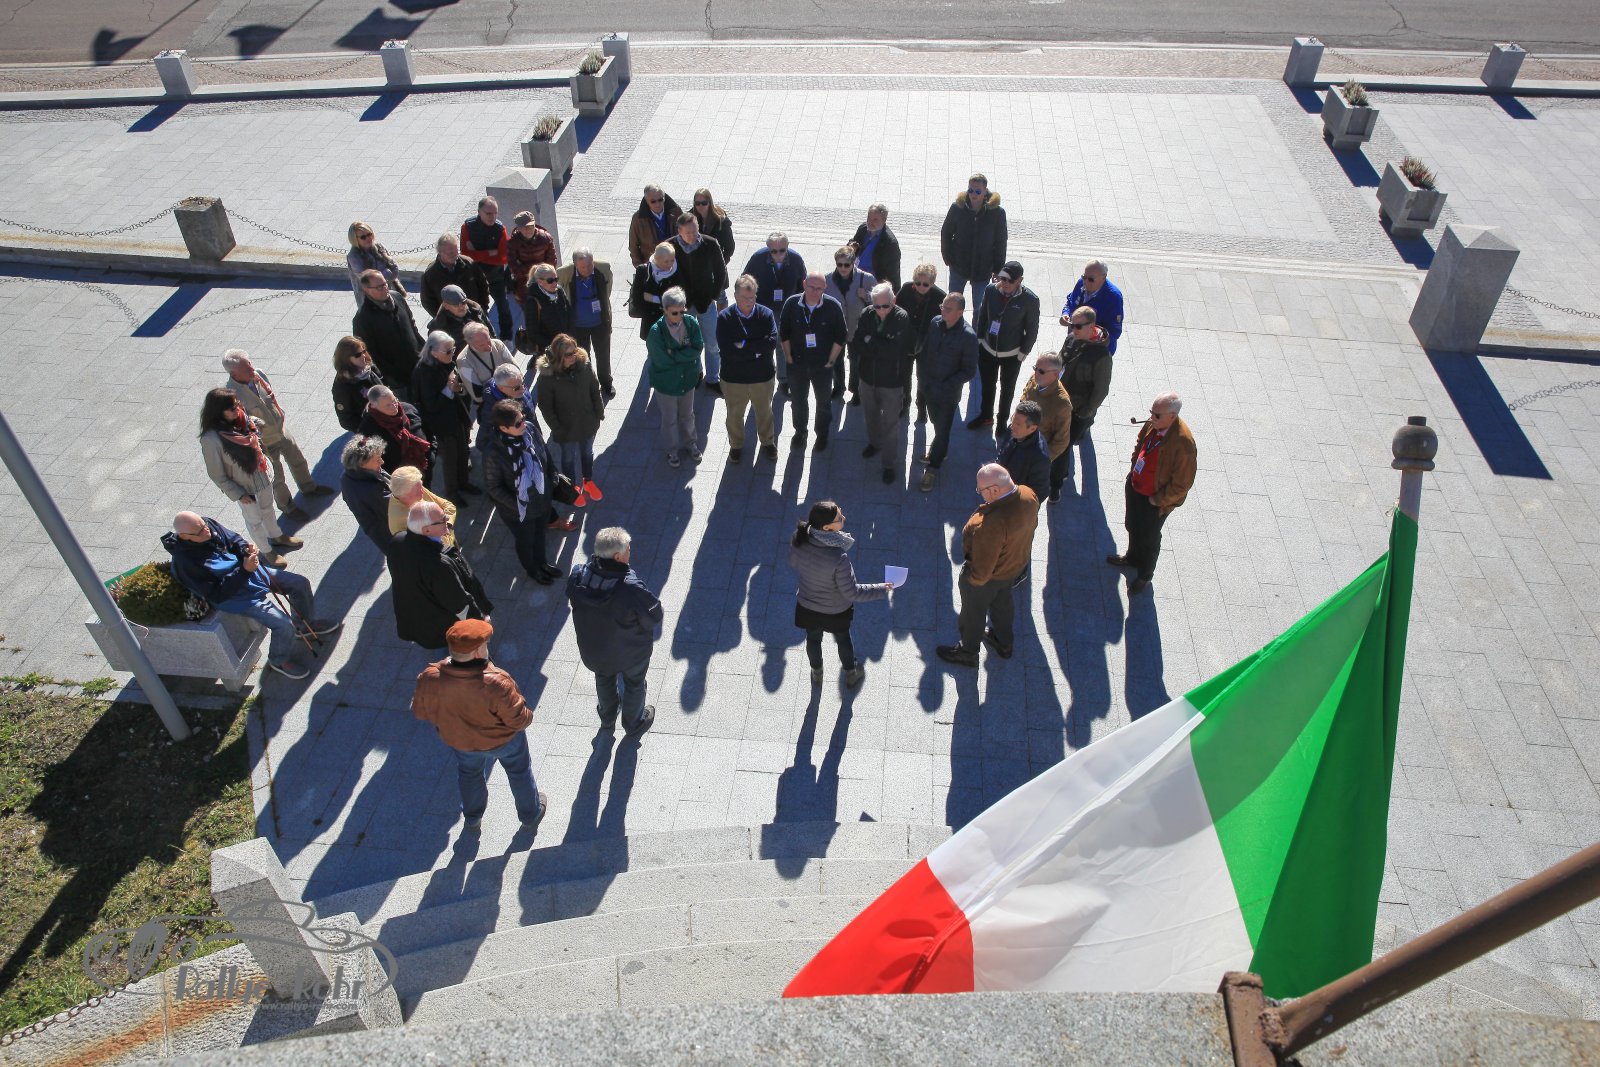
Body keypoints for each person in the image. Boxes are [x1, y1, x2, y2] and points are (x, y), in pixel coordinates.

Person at [164, 512, 340, 679]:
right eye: (200, 531)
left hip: (248, 572)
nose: (207, 531)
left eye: (204, 525)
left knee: (299, 583)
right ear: (184, 536)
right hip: (234, 596)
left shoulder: (207, 525)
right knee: (283, 624)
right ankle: (278, 660)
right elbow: (217, 594)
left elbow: (233, 539)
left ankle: (304, 626)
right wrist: (244, 570)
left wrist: (245, 550)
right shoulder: (185, 564)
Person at [411, 618, 548, 831]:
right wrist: (528, 715)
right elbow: (520, 720)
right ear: (476, 652)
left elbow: (420, 711)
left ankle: (473, 817)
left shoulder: (430, 677)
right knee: (519, 772)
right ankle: (530, 814)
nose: (487, 647)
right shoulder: (497, 682)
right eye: (485, 644)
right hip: (505, 742)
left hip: (462, 742)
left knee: (469, 774)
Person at [936, 464, 1038, 667]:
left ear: (994, 490)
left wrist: (970, 581)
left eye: (980, 489)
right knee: (1003, 604)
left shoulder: (991, 524)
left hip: (989, 578)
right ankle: (1004, 642)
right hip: (1013, 568)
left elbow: (982, 573)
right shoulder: (1028, 494)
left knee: (972, 614)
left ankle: (968, 652)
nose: (980, 493)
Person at [566, 526, 662, 735]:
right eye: (628, 549)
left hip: (594, 651)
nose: (630, 551)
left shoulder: (578, 576)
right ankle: (634, 723)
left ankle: (607, 717)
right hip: (632, 652)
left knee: (603, 678)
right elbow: (654, 616)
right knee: (634, 684)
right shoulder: (630, 587)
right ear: (618, 557)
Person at [789, 500, 890, 688]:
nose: (844, 517)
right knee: (843, 639)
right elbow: (853, 592)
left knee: (813, 639)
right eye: (839, 517)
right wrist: (883, 588)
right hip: (836, 611)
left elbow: (794, 562)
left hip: (807, 606)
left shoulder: (799, 538)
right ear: (827, 528)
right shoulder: (838, 557)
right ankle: (851, 673)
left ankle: (817, 673)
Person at [223, 350, 331, 522]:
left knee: (298, 460)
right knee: (277, 478)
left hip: (281, 431)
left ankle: (309, 487)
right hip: (264, 443)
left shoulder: (259, 375)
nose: (251, 368)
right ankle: (288, 507)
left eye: (249, 363)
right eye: (246, 368)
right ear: (234, 374)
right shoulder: (232, 396)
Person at [1107, 392, 1197, 596]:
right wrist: (1133, 469)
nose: (1151, 418)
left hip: (1155, 500)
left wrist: (1157, 500)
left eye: (1157, 415)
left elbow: (1182, 484)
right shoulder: (1154, 424)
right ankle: (1132, 558)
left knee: (1149, 538)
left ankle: (1145, 575)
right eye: (1151, 412)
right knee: (1132, 525)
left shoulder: (1183, 444)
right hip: (1136, 487)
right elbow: (1140, 442)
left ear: (1172, 416)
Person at [198, 388, 298, 566]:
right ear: (219, 411)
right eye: (232, 408)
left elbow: (254, 428)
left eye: (237, 404)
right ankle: (266, 551)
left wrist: (256, 424)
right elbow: (216, 473)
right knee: (254, 520)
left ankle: (277, 536)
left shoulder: (241, 420)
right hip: (244, 488)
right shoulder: (211, 439)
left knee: (268, 509)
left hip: (262, 475)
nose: (237, 409)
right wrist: (237, 494)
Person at [388, 500, 493, 648]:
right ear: (427, 530)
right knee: (460, 648)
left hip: (422, 619)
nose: (447, 520)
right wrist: (480, 623)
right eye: (442, 520)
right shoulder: (437, 565)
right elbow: (459, 602)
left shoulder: (397, 541)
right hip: (443, 624)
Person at [482, 399, 565, 584]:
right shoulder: (494, 453)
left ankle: (542, 563)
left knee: (540, 534)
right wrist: (520, 505)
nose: (524, 424)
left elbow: (544, 452)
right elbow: (494, 487)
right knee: (526, 542)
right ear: (503, 428)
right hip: (518, 511)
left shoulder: (530, 429)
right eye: (518, 423)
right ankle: (532, 570)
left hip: (542, 499)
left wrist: (552, 475)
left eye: (523, 417)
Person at [537, 334, 605, 528]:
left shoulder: (584, 366)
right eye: (568, 354)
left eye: (574, 351)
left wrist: (599, 412)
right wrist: (557, 428)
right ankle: (573, 488)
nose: (574, 356)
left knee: (587, 453)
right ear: (558, 356)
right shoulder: (547, 377)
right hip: (566, 428)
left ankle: (588, 481)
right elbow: (546, 407)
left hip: (587, 422)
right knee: (568, 458)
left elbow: (594, 389)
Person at [779, 272, 849, 454]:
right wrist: (788, 358)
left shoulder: (833, 306)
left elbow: (841, 335)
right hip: (797, 365)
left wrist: (831, 360)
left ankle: (822, 434)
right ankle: (800, 432)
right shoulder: (792, 304)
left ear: (825, 288)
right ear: (804, 284)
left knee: (823, 403)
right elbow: (784, 332)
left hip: (822, 367)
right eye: (811, 287)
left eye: (819, 288)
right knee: (798, 401)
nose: (815, 291)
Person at [916, 293, 979, 491]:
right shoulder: (935, 323)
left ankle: (933, 467)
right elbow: (925, 351)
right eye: (942, 306)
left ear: (960, 312)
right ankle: (939, 450)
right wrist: (922, 378)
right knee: (936, 423)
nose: (943, 311)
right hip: (929, 388)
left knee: (943, 430)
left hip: (947, 394)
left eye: (948, 309)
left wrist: (946, 384)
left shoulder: (968, 336)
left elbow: (968, 370)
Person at [852, 282, 913, 485]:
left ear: (893, 300)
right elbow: (858, 343)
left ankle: (888, 464)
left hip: (891, 382)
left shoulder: (901, 318)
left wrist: (871, 341)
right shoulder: (867, 314)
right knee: (870, 416)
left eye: (885, 306)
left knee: (891, 424)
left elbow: (895, 352)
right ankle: (875, 443)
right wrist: (880, 345)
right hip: (867, 378)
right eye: (877, 306)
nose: (881, 311)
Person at [971, 260, 1041, 433]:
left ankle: (1002, 422)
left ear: (1020, 280)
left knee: (1007, 390)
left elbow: (1032, 329)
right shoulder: (991, 290)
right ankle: (986, 416)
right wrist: (979, 339)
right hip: (988, 349)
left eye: (1010, 280)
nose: (1005, 283)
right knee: (987, 387)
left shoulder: (1030, 300)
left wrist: (1023, 352)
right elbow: (982, 316)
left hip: (1012, 354)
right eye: (1003, 278)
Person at [716, 274, 779, 465]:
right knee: (734, 415)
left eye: (752, 297)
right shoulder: (725, 318)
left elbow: (771, 343)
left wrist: (743, 346)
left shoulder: (766, 314)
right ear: (735, 296)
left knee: (765, 412)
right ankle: (736, 445)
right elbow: (727, 350)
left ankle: (767, 442)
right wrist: (756, 351)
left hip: (762, 377)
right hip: (734, 379)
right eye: (745, 298)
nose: (749, 302)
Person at [411, 331, 476, 505]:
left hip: (457, 417)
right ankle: (452, 492)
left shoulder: (447, 362)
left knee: (463, 452)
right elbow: (431, 405)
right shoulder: (424, 373)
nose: (452, 354)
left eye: (453, 349)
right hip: (442, 425)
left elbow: (460, 387)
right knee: (450, 459)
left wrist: (458, 388)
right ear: (433, 352)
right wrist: (449, 390)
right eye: (448, 351)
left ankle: (464, 483)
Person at [742, 233, 807, 394]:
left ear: (787, 247)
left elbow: (802, 285)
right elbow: (745, 281)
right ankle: (764, 378)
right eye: (774, 251)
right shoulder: (757, 259)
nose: (778, 254)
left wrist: (799, 307)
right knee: (764, 344)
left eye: (782, 250)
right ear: (768, 249)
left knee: (783, 343)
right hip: (763, 309)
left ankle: (783, 380)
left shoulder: (796, 259)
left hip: (787, 308)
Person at [646, 288, 704, 468]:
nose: (679, 316)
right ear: (664, 310)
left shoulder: (691, 323)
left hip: (687, 380)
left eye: (682, 311)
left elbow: (698, 348)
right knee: (669, 419)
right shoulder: (656, 332)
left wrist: (675, 354)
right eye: (674, 313)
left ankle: (691, 443)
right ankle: (672, 450)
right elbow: (662, 360)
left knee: (688, 415)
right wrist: (686, 356)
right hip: (666, 384)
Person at [673, 213, 728, 393]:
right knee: (688, 343)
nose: (693, 235)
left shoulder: (710, 244)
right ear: (679, 231)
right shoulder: (671, 246)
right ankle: (695, 373)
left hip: (705, 301)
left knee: (712, 343)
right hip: (683, 305)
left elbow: (720, 272)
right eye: (688, 232)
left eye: (695, 231)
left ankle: (713, 378)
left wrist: (713, 295)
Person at [941, 172, 1008, 316]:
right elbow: (946, 232)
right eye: (970, 190)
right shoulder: (957, 208)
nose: (973, 194)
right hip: (959, 264)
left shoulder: (997, 213)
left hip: (983, 268)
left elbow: (1001, 242)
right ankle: (953, 327)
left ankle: (977, 330)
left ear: (985, 191)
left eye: (977, 191)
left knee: (980, 308)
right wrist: (947, 256)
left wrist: (998, 269)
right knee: (953, 303)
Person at [351, 270, 423, 396]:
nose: (385, 288)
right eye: (379, 287)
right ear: (366, 290)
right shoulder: (362, 318)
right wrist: (391, 376)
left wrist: (424, 350)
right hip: (397, 378)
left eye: (385, 284)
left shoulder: (397, 297)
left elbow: (412, 327)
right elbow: (370, 354)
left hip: (417, 364)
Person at [558, 247, 616, 400]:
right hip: (578, 326)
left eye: (590, 264)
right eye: (583, 266)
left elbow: (607, 290)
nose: (588, 269)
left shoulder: (603, 269)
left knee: (603, 356)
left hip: (600, 323)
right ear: (575, 265)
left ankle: (606, 383)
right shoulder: (565, 273)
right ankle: (588, 385)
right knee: (583, 358)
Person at [1019, 351, 1074, 504]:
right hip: (1021, 441)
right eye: (1035, 368)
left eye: (1041, 371)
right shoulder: (1034, 379)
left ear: (1055, 374)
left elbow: (1061, 440)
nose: (1036, 373)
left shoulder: (1062, 404)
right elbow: (1024, 397)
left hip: (1037, 452)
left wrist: (1042, 460)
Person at [895, 263, 946, 425]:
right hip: (906, 340)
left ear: (932, 283)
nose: (921, 287)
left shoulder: (940, 296)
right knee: (904, 375)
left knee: (923, 378)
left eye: (926, 284)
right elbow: (895, 309)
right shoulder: (906, 289)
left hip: (926, 344)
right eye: (918, 283)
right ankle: (904, 403)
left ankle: (922, 408)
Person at [459, 196, 514, 342]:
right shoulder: (468, 227)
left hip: (495, 276)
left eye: (495, 213)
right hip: (475, 276)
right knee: (480, 309)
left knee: (503, 306)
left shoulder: (500, 229)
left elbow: (503, 258)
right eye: (488, 213)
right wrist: (490, 252)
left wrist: (477, 254)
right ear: (479, 212)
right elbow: (465, 254)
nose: (492, 217)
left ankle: (507, 337)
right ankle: (485, 336)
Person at [825, 245, 876, 400]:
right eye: (839, 264)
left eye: (846, 265)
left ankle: (856, 390)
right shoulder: (827, 280)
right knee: (835, 360)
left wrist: (866, 296)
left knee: (856, 361)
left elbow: (880, 302)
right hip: (836, 330)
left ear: (853, 263)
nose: (843, 268)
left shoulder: (867, 279)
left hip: (858, 329)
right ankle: (838, 387)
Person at [1059, 306, 1113, 448]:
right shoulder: (1071, 338)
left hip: (1077, 411)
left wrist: (1085, 412)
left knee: (1065, 447)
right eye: (1072, 325)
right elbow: (1060, 361)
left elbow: (1101, 390)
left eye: (1078, 326)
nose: (1073, 329)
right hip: (1060, 402)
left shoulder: (1102, 356)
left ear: (1091, 326)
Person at [358, 384, 432, 475]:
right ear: (374, 407)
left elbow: (429, 431)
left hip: (424, 467)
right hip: (400, 477)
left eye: (394, 401)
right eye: (387, 405)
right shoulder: (367, 429)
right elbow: (369, 461)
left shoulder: (408, 409)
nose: (394, 407)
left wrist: (432, 454)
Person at [1060, 259, 1125, 356]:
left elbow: (1114, 332)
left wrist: (1091, 337)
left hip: (1096, 352)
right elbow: (1070, 301)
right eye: (1084, 277)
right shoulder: (1081, 283)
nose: (1085, 281)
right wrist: (1065, 314)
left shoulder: (1113, 297)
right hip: (1075, 342)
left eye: (1091, 279)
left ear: (1103, 277)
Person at [420, 233, 489, 319]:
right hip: (450, 321)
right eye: (450, 253)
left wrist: (482, 309)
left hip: (474, 314)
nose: (455, 255)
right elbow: (427, 301)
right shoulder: (430, 274)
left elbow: (483, 285)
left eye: (456, 250)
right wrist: (442, 318)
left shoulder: (468, 263)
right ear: (440, 253)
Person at [340, 435, 391, 550]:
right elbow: (399, 506)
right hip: (389, 533)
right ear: (362, 464)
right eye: (377, 460)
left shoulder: (348, 475)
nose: (382, 461)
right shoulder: (372, 491)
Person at [387, 465, 457, 548]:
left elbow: (449, 505)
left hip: (450, 540)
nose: (422, 493)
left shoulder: (415, 487)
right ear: (404, 496)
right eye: (417, 492)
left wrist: (447, 524)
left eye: (421, 487)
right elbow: (423, 547)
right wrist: (444, 525)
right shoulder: (399, 523)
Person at [997, 401, 1051, 506]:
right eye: (1013, 420)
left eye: (1018, 424)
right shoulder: (1012, 431)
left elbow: (1039, 493)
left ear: (1032, 428)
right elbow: (1002, 450)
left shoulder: (1040, 458)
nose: (1012, 426)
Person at [628, 242, 681, 341]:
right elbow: (637, 298)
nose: (670, 264)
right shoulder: (643, 270)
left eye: (672, 260)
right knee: (653, 348)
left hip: (670, 323)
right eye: (666, 261)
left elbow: (678, 300)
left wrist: (654, 299)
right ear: (656, 259)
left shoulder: (677, 273)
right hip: (650, 321)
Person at [455, 322, 512, 413]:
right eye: (481, 345)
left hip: (513, 392)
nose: (489, 346)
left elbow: (515, 368)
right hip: (494, 406)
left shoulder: (497, 344)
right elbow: (477, 395)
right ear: (470, 344)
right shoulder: (463, 361)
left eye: (488, 340)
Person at [331, 335, 385, 433]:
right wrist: (369, 430)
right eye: (357, 355)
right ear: (346, 359)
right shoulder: (343, 386)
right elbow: (346, 420)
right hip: (373, 430)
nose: (363, 356)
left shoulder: (369, 367)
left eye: (363, 351)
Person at [345, 221, 405, 305]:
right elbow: (369, 280)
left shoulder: (378, 246)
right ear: (355, 239)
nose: (368, 238)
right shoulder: (354, 256)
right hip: (372, 297)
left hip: (391, 290)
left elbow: (394, 267)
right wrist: (387, 273)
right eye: (363, 237)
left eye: (369, 234)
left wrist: (388, 275)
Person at [477, 363, 538, 445]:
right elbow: (482, 442)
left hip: (534, 438)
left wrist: (538, 434)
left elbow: (531, 414)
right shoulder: (491, 409)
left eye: (523, 383)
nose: (523, 388)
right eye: (517, 388)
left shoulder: (518, 386)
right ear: (501, 388)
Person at [507, 209, 558, 306]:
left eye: (531, 226)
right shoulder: (513, 243)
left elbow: (552, 260)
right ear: (519, 228)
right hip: (524, 278)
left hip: (544, 275)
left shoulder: (546, 238)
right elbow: (513, 265)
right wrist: (531, 272)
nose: (528, 230)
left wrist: (542, 273)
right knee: (525, 300)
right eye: (524, 227)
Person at [522, 263, 573, 357]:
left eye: (556, 279)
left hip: (567, 346)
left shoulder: (559, 291)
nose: (555, 283)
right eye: (550, 281)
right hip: (549, 352)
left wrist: (570, 339)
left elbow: (570, 314)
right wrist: (555, 346)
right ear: (540, 282)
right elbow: (532, 333)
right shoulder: (532, 301)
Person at [849, 203, 901, 291]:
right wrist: (851, 246)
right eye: (869, 218)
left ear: (884, 220)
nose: (870, 222)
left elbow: (893, 274)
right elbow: (853, 241)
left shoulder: (890, 243)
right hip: (855, 275)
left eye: (875, 220)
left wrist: (893, 293)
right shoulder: (863, 228)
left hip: (873, 283)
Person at [628, 184, 682, 267]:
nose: (657, 204)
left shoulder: (676, 211)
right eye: (653, 201)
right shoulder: (638, 219)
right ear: (647, 201)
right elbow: (633, 246)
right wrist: (639, 266)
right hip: (652, 264)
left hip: (674, 261)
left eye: (660, 200)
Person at [427, 284, 492, 350]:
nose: (461, 307)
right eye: (456, 305)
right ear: (446, 306)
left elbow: (488, 326)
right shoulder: (439, 326)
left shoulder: (476, 310)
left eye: (463, 302)